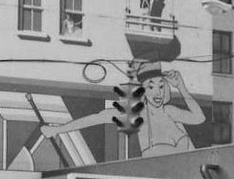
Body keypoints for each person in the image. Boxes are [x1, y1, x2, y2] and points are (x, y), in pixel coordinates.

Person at [40, 61, 205, 158]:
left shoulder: (171, 111)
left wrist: (182, 87)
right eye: (151, 86)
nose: (158, 92)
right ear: (143, 91)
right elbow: (98, 118)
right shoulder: (138, 114)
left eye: (162, 86)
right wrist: (58, 129)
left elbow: (199, 119)